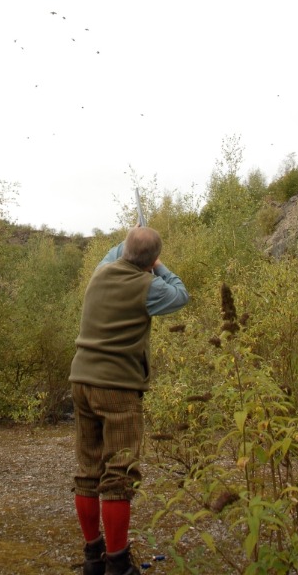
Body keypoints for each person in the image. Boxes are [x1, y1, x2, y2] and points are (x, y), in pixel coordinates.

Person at [69, 225, 190, 575]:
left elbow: (116, 254)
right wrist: (159, 265)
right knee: (119, 475)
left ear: (124, 250)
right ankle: (118, 564)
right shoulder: (149, 286)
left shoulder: (99, 273)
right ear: (151, 260)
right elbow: (181, 295)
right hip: (117, 387)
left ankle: (93, 557)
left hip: (81, 380)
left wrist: (133, 238)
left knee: (88, 472)